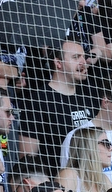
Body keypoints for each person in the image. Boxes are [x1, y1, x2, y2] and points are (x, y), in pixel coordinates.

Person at [18, 40, 98, 175]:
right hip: (57, 182)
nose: (84, 62)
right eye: (76, 57)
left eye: (83, 57)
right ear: (58, 63)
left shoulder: (90, 97)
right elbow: (27, 158)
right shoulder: (38, 101)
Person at [57, 127, 112, 192]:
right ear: (89, 146)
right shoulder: (69, 175)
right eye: (106, 143)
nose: (111, 148)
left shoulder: (104, 179)